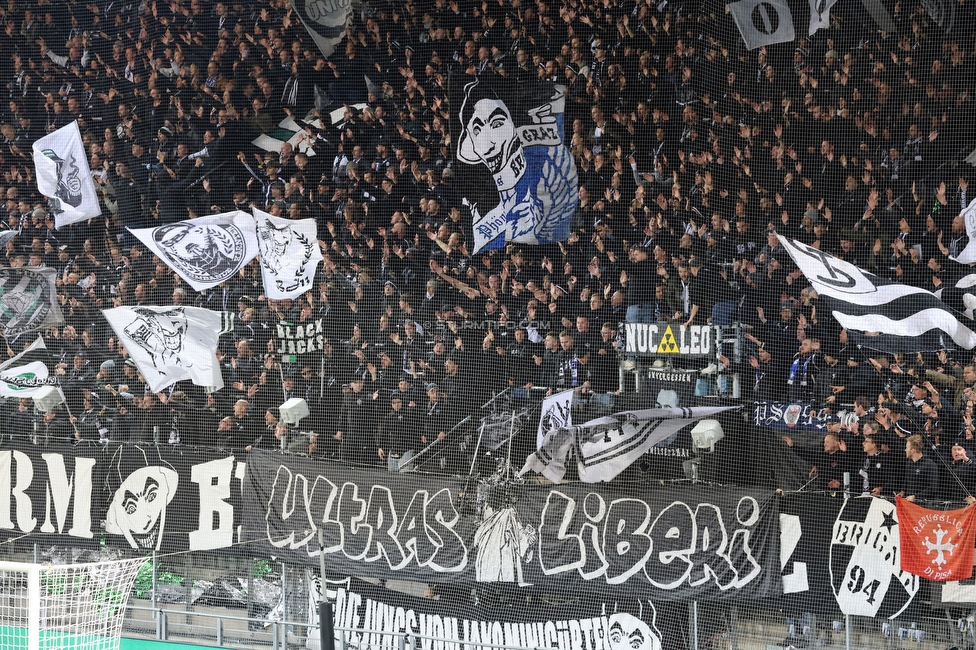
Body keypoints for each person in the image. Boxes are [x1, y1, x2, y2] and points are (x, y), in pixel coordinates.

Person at [901, 434, 940, 502]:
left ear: (913, 450)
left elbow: (933, 487)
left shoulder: (929, 464)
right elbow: (906, 480)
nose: (905, 450)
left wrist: (915, 497)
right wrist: (902, 492)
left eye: (907, 447)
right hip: (908, 502)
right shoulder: (909, 463)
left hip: (923, 505)